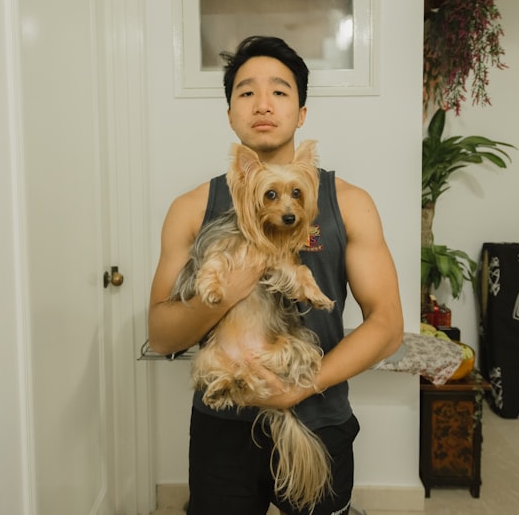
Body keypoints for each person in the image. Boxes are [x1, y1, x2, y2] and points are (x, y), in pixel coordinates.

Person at [148, 35, 403, 515]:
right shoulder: (189, 209)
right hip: (222, 421)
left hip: (317, 416)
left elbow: (387, 326)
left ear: (302, 111)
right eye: (246, 92)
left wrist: (301, 387)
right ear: (229, 112)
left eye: (280, 91)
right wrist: (227, 292)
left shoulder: (348, 202)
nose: (262, 103)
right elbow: (161, 337)